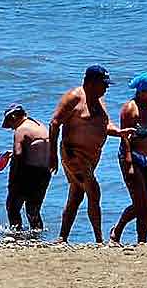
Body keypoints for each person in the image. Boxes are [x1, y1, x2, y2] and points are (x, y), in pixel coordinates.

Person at [48, 64, 125, 243]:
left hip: (91, 158)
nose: (106, 87)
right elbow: (54, 123)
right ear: (90, 82)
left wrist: (120, 132)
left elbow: (104, 125)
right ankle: (99, 240)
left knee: (76, 194)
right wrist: (52, 154)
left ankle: (62, 237)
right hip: (73, 154)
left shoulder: (99, 99)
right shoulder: (74, 97)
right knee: (94, 190)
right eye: (103, 84)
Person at [109, 72, 147, 244]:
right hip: (132, 157)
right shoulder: (129, 109)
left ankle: (142, 241)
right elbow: (125, 137)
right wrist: (128, 163)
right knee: (139, 204)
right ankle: (118, 229)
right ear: (141, 90)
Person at [0, 103, 52, 231]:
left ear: (13, 117)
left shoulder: (21, 129)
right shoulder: (39, 125)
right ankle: (37, 235)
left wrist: (12, 179)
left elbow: (18, 154)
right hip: (44, 172)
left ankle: (15, 234)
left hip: (28, 172)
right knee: (33, 209)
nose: (12, 128)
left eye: (10, 124)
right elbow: (36, 149)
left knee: (12, 206)